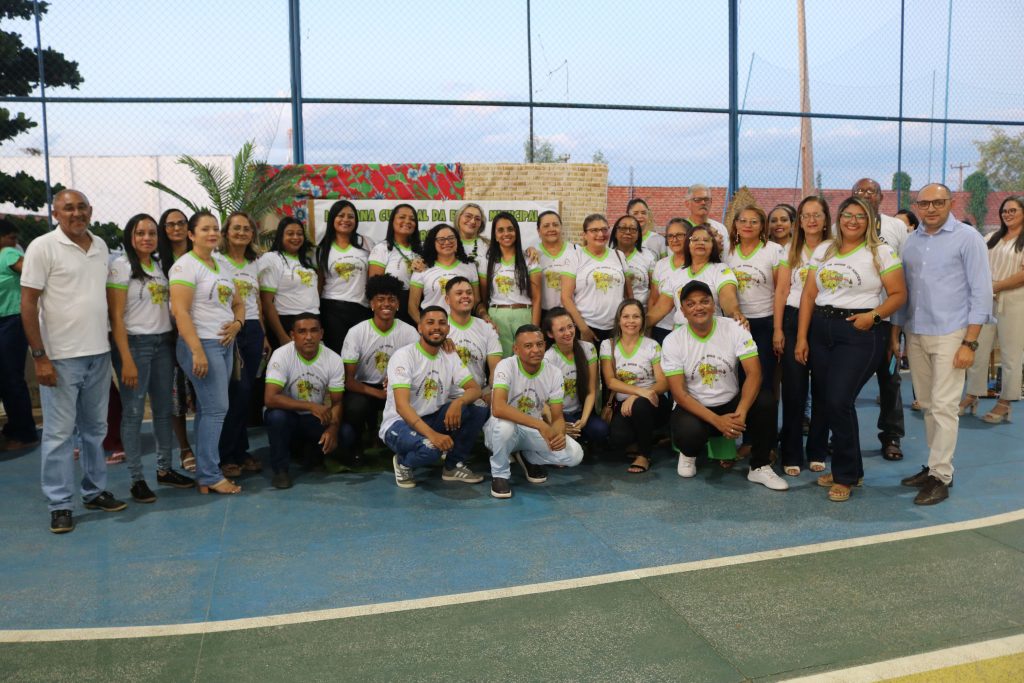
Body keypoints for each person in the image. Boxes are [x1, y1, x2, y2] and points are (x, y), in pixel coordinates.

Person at [21, 189, 126, 533]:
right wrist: (40, 357)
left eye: (82, 207)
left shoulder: (100, 247)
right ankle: (60, 504)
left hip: (98, 353)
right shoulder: (42, 247)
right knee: (59, 434)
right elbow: (28, 303)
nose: (76, 213)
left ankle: (94, 491)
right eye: (68, 208)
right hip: (60, 358)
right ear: (56, 213)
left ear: (90, 211)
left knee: (96, 430)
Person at [795, 197, 907, 502]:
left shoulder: (881, 252)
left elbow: (898, 294)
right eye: (847, 215)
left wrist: (874, 316)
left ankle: (844, 476)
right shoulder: (824, 250)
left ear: (870, 220)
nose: (853, 221)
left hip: (860, 331)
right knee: (831, 402)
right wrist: (802, 337)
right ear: (839, 218)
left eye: (860, 216)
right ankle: (852, 470)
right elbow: (808, 295)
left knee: (839, 399)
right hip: (821, 329)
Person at [895, 183, 993, 505]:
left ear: (950, 203)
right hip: (916, 332)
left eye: (938, 202)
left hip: (952, 333)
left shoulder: (968, 238)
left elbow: (982, 292)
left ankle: (941, 477)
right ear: (917, 206)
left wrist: (970, 342)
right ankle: (934, 466)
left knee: (944, 406)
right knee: (926, 404)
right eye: (924, 203)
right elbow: (905, 291)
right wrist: (898, 333)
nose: (931, 209)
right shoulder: (911, 242)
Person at [664, 281, 787, 490]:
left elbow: (754, 373)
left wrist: (740, 414)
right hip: (695, 407)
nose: (698, 307)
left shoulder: (734, 328)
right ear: (683, 311)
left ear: (714, 305)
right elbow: (679, 394)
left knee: (765, 400)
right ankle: (688, 453)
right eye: (691, 304)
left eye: (704, 301)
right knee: (688, 433)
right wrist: (718, 421)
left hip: (730, 404)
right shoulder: (673, 340)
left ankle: (760, 466)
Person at [107, 213, 195, 502]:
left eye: (151, 233)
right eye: (140, 233)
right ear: (130, 237)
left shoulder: (158, 266)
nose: (146, 238)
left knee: (162, 409)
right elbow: (116, 317)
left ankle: (164, 469)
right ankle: (137, 479)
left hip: (163, 345)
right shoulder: (121, 267)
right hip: (135, 345)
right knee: (133, 412)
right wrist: (126, 358)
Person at [169, 211, 246, 495]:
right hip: (201, 344)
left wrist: (237, 325)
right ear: (191, 235)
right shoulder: (184, 267)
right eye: (205, 229)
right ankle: (211, 474)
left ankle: (205, 473)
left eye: (215, 228)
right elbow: (180, 312)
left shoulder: (221, 264)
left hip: (224, 345)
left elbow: (239, 303)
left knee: (208, 409)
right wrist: (197, 351)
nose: (212, 233)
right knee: (217, 409)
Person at [380, 306, 489, 488]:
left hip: (431, 418)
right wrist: (433, 436)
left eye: (442, 323)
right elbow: (402, 407)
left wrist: (459, 402)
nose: (436, 327)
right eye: (430, 322)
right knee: (432, 449)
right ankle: (403, 462)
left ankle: (453, 465)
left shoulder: (449, 354)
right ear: (419, 327)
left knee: (478, 406)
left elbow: (475, 389)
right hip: (399, 423)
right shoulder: (404, 356)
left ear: (448, 328)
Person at [486, 324, 584, 499]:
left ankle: (528, 457)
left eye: (539, 344)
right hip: (500, 430)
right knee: (506, 427)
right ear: (516, 349)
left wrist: (559, 434)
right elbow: (498, 408)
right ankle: (500, 474)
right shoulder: (506, 366)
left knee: (575, 454)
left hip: (531, 430)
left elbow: (557, 417)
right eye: (528, 346)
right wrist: (541, 425)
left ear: (545, 345)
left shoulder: (554, 372)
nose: (536, 350)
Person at [773, 196, 832, 475]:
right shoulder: (790, 250)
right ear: (799, 221)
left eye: (816, 214)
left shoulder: (835, 249)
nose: (811, 220)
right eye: (805, 215)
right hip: (792, 319)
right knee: (794, 390)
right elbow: (781, 291)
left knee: (823, 388)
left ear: (826, 219)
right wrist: (777, 329)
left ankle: (818, 449)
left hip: (824, 320)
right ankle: (791, 452)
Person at [264, 313, 355, 489]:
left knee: (346, 434)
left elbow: (337, 402)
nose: (308, 337)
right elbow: (270, 398)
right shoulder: (281, 355)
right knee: (276, 417)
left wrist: (333, 429)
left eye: (314, 331)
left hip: (314, 419)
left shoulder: (334, 359)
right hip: (288, 416)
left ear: (321, 334)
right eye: (302, 331)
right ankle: (281, 470)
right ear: (292, 335)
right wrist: (311, 406)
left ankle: (312, 452)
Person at [853, 178, 907, 461]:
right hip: (852, 317)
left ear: (881, 197)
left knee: (889, 379)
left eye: (871, 191)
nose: (865, 195)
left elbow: (904, 277)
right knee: (844, 381)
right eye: (859, 191)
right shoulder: (841, 227)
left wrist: (896, 331)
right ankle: (838, 435)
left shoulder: (896, 227)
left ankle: (891, 436)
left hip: (886, 318)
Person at [341, 274, 418, 459]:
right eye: (380, 299)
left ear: (398, 304)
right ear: (372, 304)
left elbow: (417, 368)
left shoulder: (409, 332)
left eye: (391, 299)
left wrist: (395, 385)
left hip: (397, 386)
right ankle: (358, 443)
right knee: (355, 408)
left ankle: (405, 442)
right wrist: (380, 394)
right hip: (364, 388)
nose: (386, 304)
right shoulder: (357, 332)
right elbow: (349, 381)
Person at [962, 196, 1024, 423]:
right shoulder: (991, 238)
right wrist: (984, 288)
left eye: (1013, 210)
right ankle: (972, 395)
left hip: (1015, 300)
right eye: (1004, 211)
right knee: (977, 348)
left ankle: (1005, 402)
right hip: (985, 300)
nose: (1008, 214)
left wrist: (995, 286)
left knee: (1011, 354)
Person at [217, 211, 268, 477]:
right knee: (236, 392)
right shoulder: (216, 261)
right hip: (229, 330)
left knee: (245, 395)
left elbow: (256, 301)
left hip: (253, 329)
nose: (241, 233)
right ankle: (226, 455)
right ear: (226, 232)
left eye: (246, 229)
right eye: (236, 228)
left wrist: (263, 333)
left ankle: (240, 451)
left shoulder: (254, 264)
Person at [600, 299, 668, 474]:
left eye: (636, 316)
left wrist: (638, 396)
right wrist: (637, 391)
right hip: (624, 406)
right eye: (626, 317)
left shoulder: (652, 345)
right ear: (618, 320)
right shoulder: (608, 345)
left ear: (643, 320)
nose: (631, 321)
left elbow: (663, 382)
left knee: (640, 406)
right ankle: (644, 438)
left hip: (652, 403)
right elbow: (610, 381)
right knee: (618, 438)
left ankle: (645, 455)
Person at [726, 205, 783, 396]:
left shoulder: (773, 250)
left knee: (763, 378)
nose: (747, 225)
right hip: (735, 323)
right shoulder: (726, 252)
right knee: (737, 378)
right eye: (742, 221)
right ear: (735, 224)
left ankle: (763, 415)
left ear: (762, 226)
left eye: (754, 221)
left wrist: (778, 328)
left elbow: (781, 290)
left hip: (764, 321)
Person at [647, 222, 744, 335]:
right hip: (681, 335)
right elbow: (660, 309)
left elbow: (728, 298)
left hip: (712, 333)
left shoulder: (721, 270)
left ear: (712, 245)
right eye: (695, 239)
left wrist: (735, 313)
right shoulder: (676, 274)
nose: (700, 243)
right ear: (688, 245)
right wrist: (638, 325)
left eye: (706, 240)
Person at [158, 208, 196, 473]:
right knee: (175, 393)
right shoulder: (157, 262)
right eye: (170, 224)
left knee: (204, 392)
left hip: (201, 333)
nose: (176, 228)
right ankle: (184, 447)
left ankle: (209, 445)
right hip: (169, 336)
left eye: (181, 223)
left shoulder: (202, 256)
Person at [561, 214, 633, 343]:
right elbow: (565, 297)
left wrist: (627, 322)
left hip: (616, 327)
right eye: (594, 230)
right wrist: (583, 329)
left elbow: (629, 295)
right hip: (587, 326)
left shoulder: (619, 255)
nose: (600, 234)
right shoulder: (575, 256)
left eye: (604, 229)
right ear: (584, 234)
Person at [542, 307, 608, 446]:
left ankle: (577, 439)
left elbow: (591, 391)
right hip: (558, 414)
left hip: (580, 412)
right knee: (566, 432)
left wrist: (583, 420)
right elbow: (543, 401)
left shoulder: (588, 348)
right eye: (561, 330)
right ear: (550, 334)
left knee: (601, 430)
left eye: (570, 326)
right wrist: (558, 423)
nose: (568, 332)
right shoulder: (548, 358)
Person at [479, 211, 542, 355]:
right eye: (500, 230)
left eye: (510, 229)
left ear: (516, 232)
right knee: (501, 362)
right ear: (495, 235)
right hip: (497, 317)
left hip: (524, 315)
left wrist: (535, 329)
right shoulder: (486, 261)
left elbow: (537, 298)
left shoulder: (529, 259)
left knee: (526, 360)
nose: (506, 233)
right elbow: (483, 297)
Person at [0, 219, 37, 450]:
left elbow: (32, 272)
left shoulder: (8, 253)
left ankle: (24, 433)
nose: (16, 243)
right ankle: (14, 429)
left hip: (11, 321)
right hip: (5, 322)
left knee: (10, 379)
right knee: (6, 379)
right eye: (11, 238)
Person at [318, 199, 372, 353]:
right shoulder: (323, 248)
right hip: (332, 310)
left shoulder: (366, 243)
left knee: (359, 355)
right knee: (337, 354)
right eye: (341, 216)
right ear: (332, 218)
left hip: (362, 308)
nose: (346, 220)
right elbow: (319, 284)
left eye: (350, 216)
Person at [260, 216, 319, 347]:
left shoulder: (308, 259)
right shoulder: (272, 258)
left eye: (299, 233)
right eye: (290, 233)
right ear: (281, 236)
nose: (296, 237)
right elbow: (266, 302)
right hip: (286, 322)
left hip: (312, 320)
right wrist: (282, 336)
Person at [445, 276, 502, 404]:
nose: (465, 296)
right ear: (447, 300)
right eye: (459, 293)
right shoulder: (438, 328)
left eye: (469, 293)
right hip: (446, 398)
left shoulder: (487, 328)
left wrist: (493, 392)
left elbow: (495, 369)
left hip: (479, 395)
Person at [409, 223, 479, 321]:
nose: (447, 242)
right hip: (433, 327)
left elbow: (476, 302)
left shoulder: (470, 266)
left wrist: (484, 315)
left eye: (451, 238)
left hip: (463, 325)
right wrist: (424, 326)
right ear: (433, 243)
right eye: (441, 239)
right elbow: (412, 307)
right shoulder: (421, 268)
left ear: (457, 240)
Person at [367, 203, 422, 325]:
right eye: (402, 217)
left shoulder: (420, 251)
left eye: (412, 219)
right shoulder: (382, 248)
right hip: (391, 306)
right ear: (392, 221)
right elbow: (374, 286)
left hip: (417, 305)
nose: (407, 221)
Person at [648, 218, 691, 344]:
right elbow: (653, 299)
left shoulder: (696, 265)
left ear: (690, 236)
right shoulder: (661, 265)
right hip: (661, 327)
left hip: (686, 329)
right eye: (670, 236)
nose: (674, 239)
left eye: (679, 235)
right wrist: (649, 327)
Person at [535, 210, 578, 317]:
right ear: (538, 231)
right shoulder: (533, 254)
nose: (551, 229)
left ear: (561, 227)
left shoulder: (575, 250)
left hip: (570, 312)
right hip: (544, 313)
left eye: (555, 225)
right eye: (546, 226)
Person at [610, 214, 656, 312]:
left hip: (640, 312)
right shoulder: (608, 255)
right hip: (613, 312)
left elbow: (654, 289)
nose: (627, 232)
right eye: (623, 228)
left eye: (632, 229)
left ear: (638, 234)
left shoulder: (647, 256)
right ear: (615, 233)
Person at [685, 184, 730, 251]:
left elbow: (725, 254)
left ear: (711, 202)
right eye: (697, 200)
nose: (703, 203)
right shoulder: (681, 229)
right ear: (687, 204)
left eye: (706, 199)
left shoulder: (720, 228)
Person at [454, 202, 488, 275]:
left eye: (477, 219)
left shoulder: (489, 245)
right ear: (458, 217)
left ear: (481, 223)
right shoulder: (448, 244)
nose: (473, 221)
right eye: (468, 216)